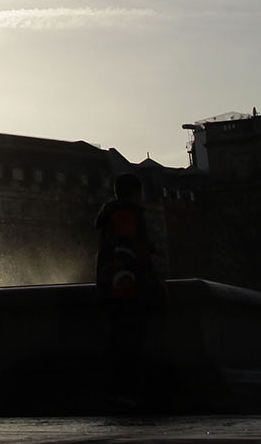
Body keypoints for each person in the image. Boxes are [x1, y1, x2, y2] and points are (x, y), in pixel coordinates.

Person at [94, 171, 162, 408]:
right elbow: (124, 250)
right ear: (137, 193)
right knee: (128, 342)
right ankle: (125, 393)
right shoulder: (125, 214)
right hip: (125, 290)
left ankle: (118, 391)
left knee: (117, 341)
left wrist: (147, 248)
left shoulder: (114, 213)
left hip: (112, 287)